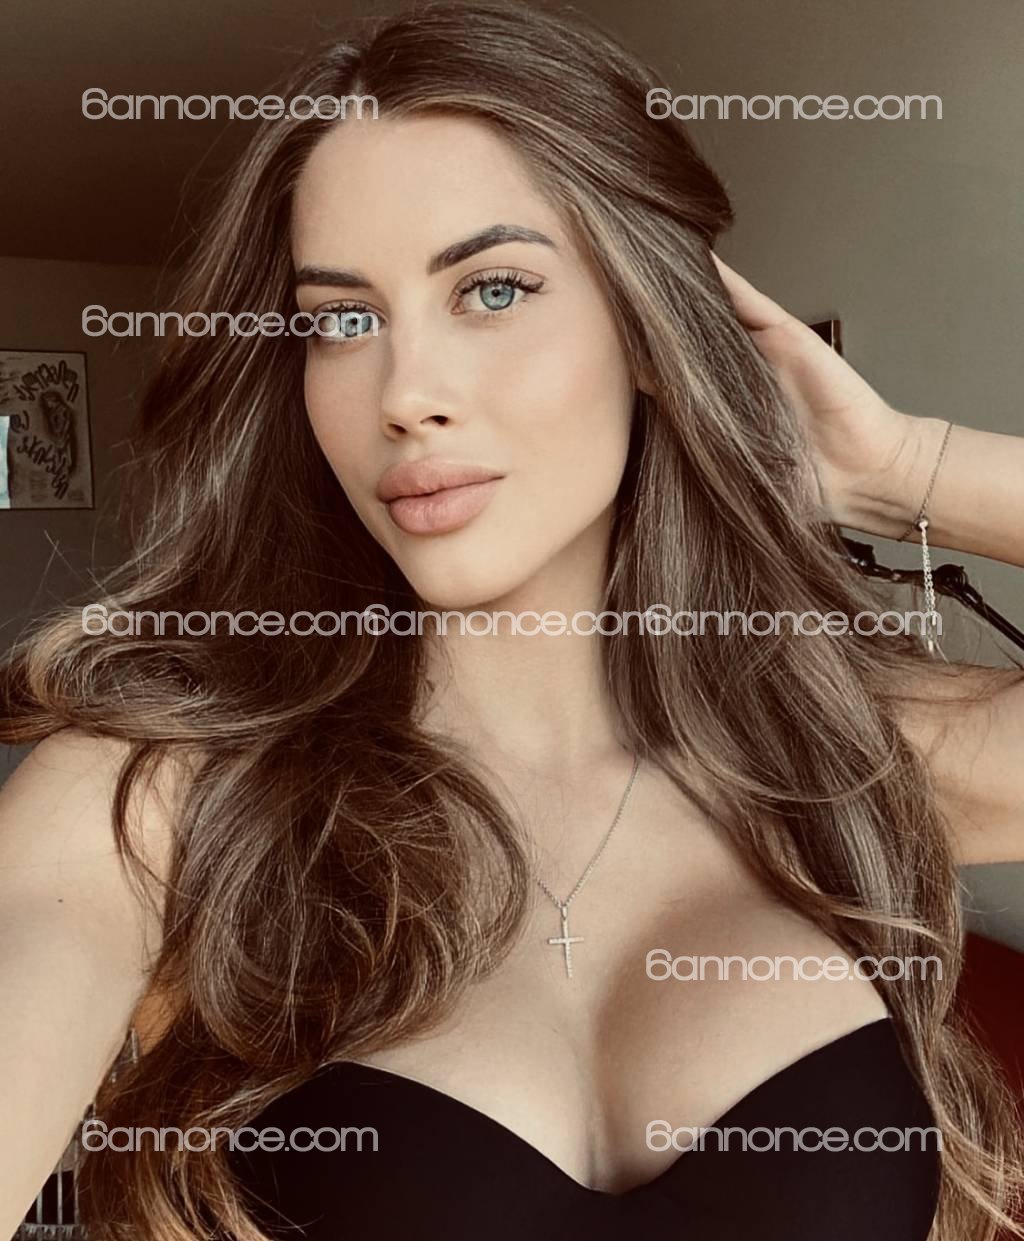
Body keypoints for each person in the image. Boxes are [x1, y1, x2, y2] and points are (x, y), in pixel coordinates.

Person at [1, 4, 1022, 1239]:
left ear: (646, 326)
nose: (407, 393)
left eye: (492, 288)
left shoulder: (847, 746)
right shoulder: (159, 796)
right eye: (341, 319)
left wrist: (905, 465)